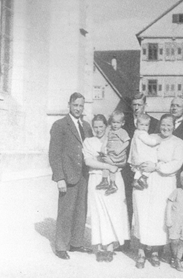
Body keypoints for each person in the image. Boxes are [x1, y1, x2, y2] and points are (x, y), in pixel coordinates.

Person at [132, 114, 183, 269]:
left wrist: (156, 167)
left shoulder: (178, 142)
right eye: (163, 125)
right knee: (143, 214)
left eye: (169, 125)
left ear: (174, 126)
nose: (166, 128)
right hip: (146, 181)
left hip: (165, 182)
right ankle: (141, 251)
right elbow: (138, 151)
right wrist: (140, 167)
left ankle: (156, 252)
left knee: (160, 216)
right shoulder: (151, 137)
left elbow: (176, 163)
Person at [49, 92, 93, 260]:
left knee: (81, 209)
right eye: (75, 105)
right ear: (69, 105)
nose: (78, 109)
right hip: (68, 175)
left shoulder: (87, 126)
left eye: (81, 106)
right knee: (66, 210)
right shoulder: (60, 125)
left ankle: (76, 243)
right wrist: (59, 177)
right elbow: (54, 153)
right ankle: (61, 245)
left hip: (84, 175)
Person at [82, 114, 130, 262]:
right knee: (99, 212)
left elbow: (123, 158)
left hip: (114, 178)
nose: (98, 130)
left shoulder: (114, 138)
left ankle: (109, 247)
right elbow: (88, 161)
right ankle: (100, 247)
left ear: (106, 126)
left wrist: (114, 163)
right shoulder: (88, 141)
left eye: (101, 126)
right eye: (95, 127)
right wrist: (107, 165)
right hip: (97, 178)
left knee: (113, 211)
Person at [121, 93, 159, 226]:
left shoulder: (153, 122)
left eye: (139, 105)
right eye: (134, 105)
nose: (136, 108)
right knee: (127, 202)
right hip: (128, 168)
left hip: (146, 169)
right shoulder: (124, 122)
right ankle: (126, 241)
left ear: (145, 105)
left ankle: (145, 241)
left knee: (145, 202)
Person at [96, 111, 130, 195]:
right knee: (107, 165)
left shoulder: (122, 132)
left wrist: (119, 149)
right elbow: (106, 140)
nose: (115, 125)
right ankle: (106, 181)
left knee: (110, 166)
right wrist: (103, 147)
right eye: (113, 122)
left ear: (122, 123)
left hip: (118, 155)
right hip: (111, 153)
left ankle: (112, 183)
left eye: (118, 123)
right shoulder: (110, 131)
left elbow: (127, 142)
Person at [128, 113, 161, 190]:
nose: (144, 127)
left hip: (136, 156)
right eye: (142, 125)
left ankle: (135, 180)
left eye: (146, 125)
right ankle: (144, 177)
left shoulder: (136, 132)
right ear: (137, 124)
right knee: (150, 163)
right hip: (142, 156)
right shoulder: (142, 133)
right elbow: (149, 141)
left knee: (139, 169)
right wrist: (157, 141)